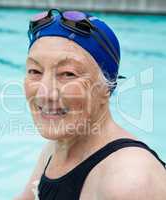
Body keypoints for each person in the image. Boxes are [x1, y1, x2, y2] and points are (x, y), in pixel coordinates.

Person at [15, 9, 166, 200]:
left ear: (106, 87)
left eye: (68, 74)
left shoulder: (130, 182)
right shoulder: (56, 148)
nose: (45, 94)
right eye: (35, 71)